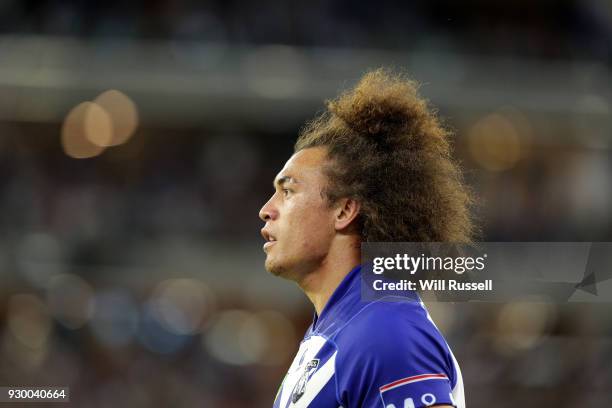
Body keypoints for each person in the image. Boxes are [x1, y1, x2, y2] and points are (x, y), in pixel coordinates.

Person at [259, 69, 473, 408]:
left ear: (344, 211)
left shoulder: (386, 330)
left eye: (288, 191)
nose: (266, 210)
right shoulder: (337, 329)